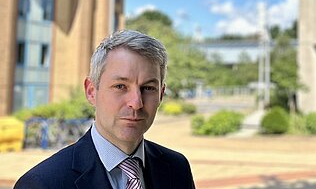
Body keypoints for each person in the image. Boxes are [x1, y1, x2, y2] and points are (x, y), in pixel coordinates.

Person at [15, 30, 196, 189]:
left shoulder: (177, 168)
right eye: (120, 86)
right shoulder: (42, 183)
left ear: (161, 94)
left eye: (148, 88)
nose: (136, 102)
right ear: (91, 91)